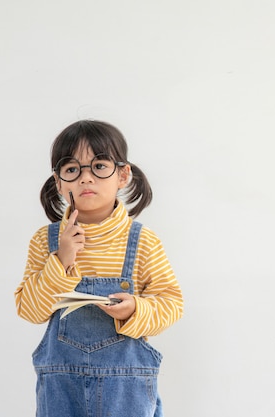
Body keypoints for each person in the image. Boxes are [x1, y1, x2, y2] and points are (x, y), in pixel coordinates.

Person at [15, 120, 183, 417]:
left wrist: (135, 310)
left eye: (99, 166)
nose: (85, 179)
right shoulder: (45, 240)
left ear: (123, 174)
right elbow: (30, 310)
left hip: (126, 390)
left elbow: (171, 304)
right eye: (72, 170)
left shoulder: (142, 241)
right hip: (61, 389)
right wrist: (61, 260)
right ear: (58, 183)